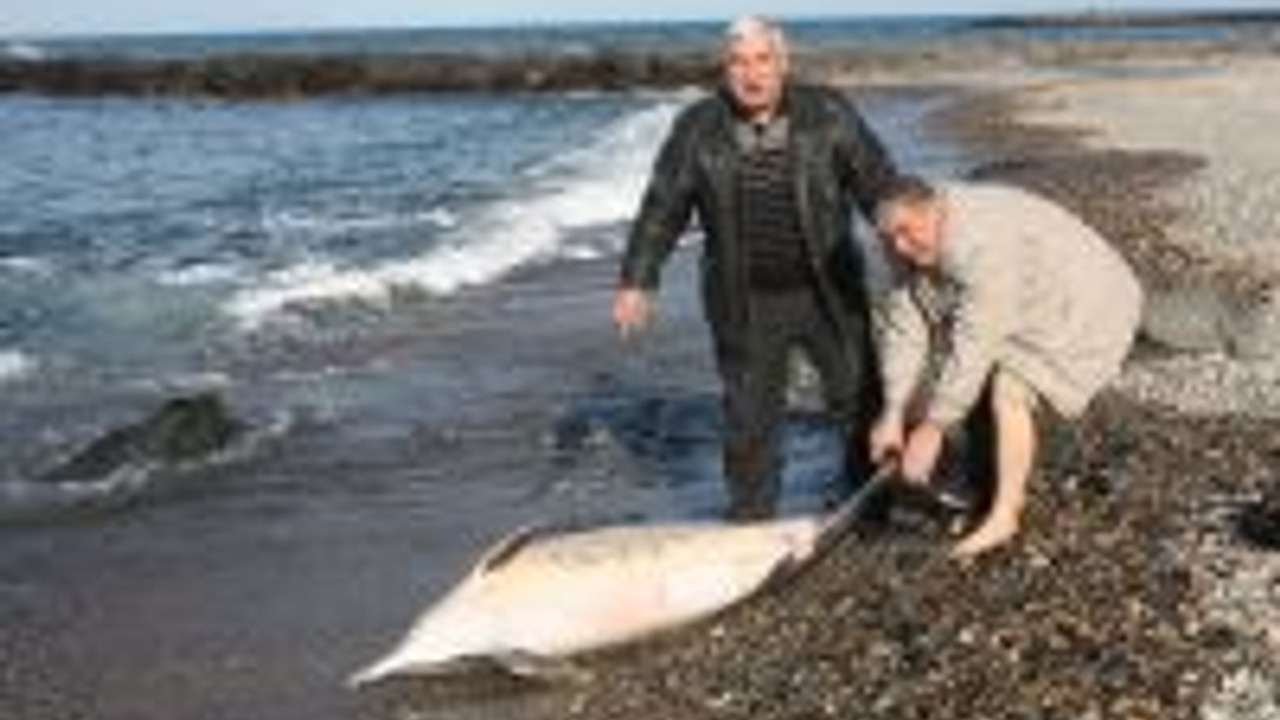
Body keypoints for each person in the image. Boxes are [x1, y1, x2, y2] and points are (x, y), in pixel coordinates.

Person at [614, 16, 898, 520]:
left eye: (763, 60)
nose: (752, 73)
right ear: (725, 70)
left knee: (857, 393)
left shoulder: (827, 112)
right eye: (739, 62)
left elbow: (876, 181)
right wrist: (638, 280)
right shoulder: (697, 127)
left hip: (828, 287)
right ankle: (750, 515)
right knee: (749, 416)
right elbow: (663, 207)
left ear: (783, 64)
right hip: (744, 298)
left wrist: (908, 242)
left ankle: (872, 496)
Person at [869, 175, 1143, 558]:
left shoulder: (983, 244)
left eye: (905, 232)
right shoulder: (908, 248)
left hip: (1083, 301)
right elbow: (905, 325)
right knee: (946, 373)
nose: (899, 246)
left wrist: (933, 427)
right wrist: (893, 410)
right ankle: (975, 483)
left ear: (934, 211)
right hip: (1027, 295)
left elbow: (976, 342)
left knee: (1008, 390)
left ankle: (1004, 516)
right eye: (888, 237)